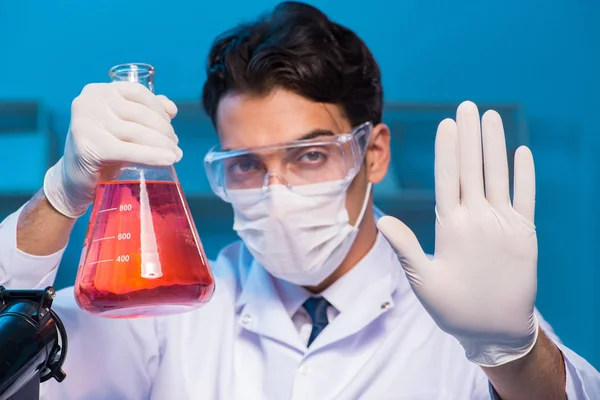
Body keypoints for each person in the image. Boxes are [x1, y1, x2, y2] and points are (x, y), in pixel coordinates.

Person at [0, 2, 598, 399]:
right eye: (245, 164)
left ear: (375, 153)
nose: (276, 191)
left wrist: (511, 353)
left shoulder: (466, 315)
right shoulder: (170, 305)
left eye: (310, 154)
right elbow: (13, 370)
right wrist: (59, 197)